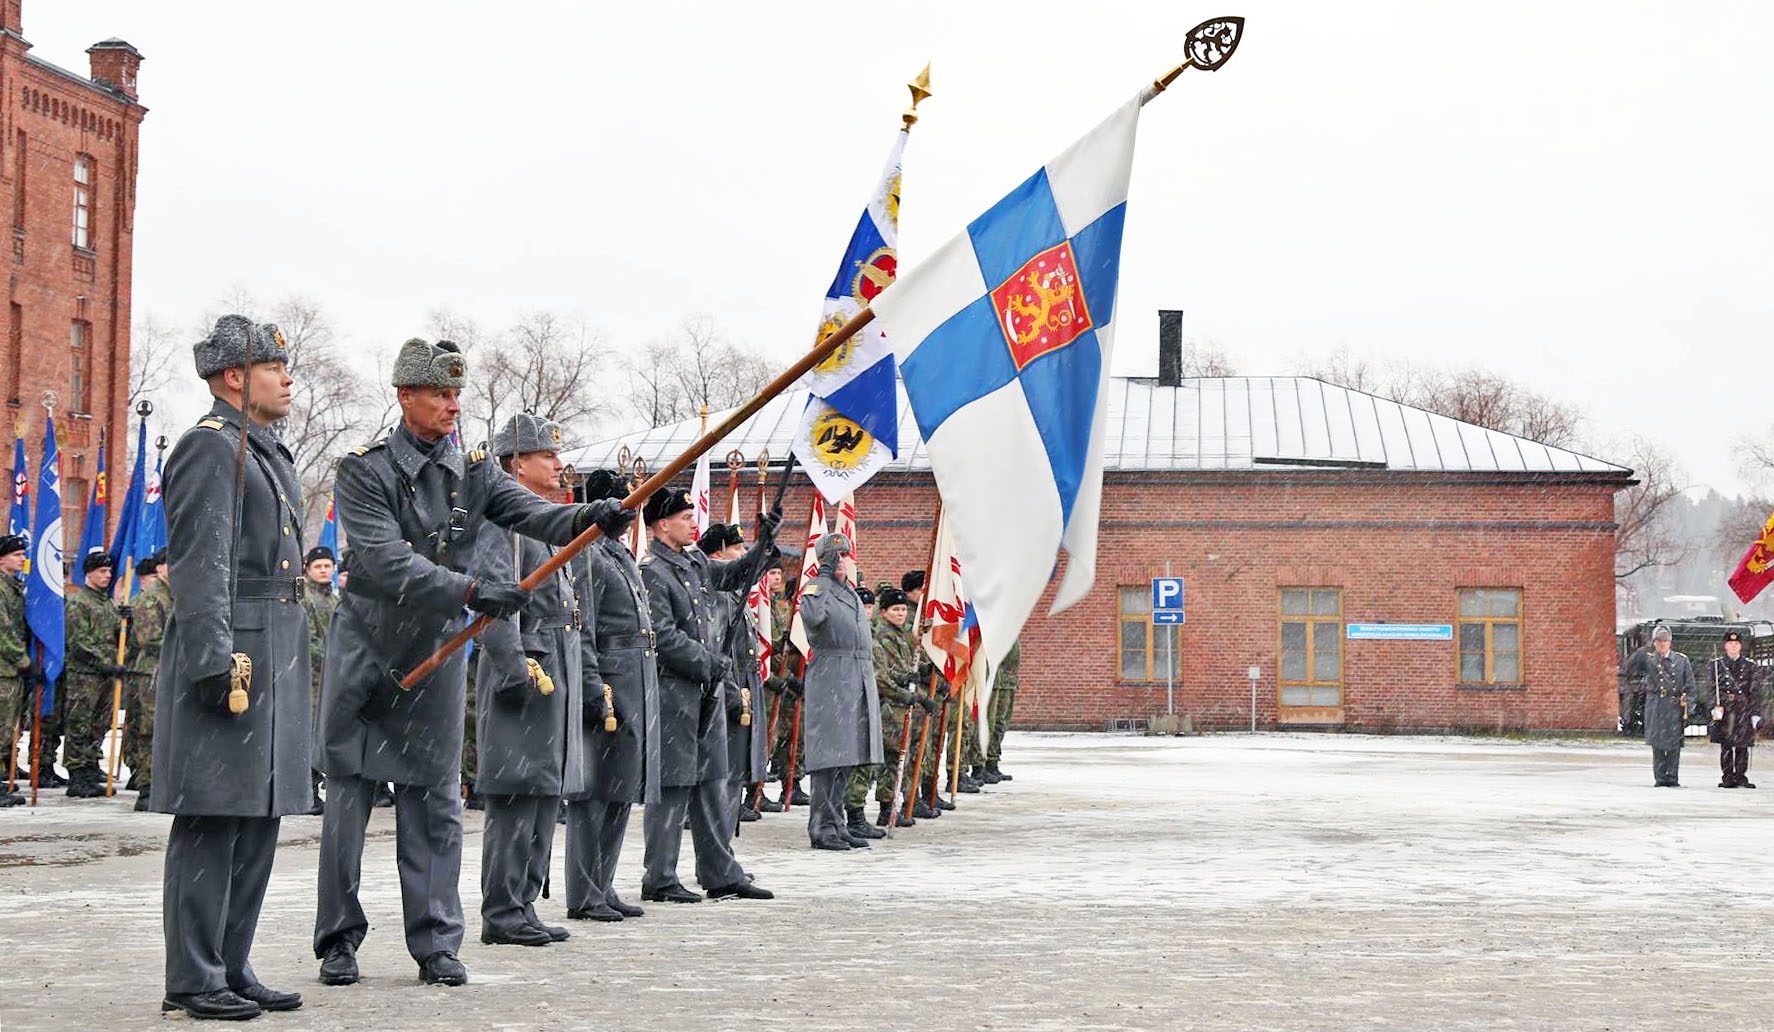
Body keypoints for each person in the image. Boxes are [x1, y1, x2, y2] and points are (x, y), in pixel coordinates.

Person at [312, 338, 627, 988]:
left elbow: (530, 512)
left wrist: (588, 519)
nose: (454, 406)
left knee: (434, 802)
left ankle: (435, 942)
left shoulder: (474, 471)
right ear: (406, 397)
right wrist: (468, 592)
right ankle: (338, 939)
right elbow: (383, 559)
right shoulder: (363, 471)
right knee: (350, 802)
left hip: (439, 651)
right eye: (440, 394)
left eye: (459, 394)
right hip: (370, 653)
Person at [152, 316, 308, 1019]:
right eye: (275, 366)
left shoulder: (265, 450)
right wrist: (214, 661)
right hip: (233, 655)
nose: (288, 377)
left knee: (257, 817)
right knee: (213, 819)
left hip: (271, 651)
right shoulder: (209, 448)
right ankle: (193, 976)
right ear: (234, 377)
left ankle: (231, 962)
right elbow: (200, 563)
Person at [473, 413, 600, 947]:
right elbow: (494, 600)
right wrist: (514, 669)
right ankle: (501, 910)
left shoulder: (545, 521)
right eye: (546, 454)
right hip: (527, 672)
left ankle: (523, 901)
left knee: (545, 791)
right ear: (516, 463)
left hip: (557, 669)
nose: (558, 463)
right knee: (516, 794)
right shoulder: (505, 523)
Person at [639, 488, 778, 902]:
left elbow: (733, 577)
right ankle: (659, 877)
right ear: (663, 524)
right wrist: (707, 662)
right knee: (673, 786)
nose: (692, 522)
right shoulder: (652, 571)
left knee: (713, 783)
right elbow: (661, 634)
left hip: (706, 690)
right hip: (674, 690)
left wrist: (761, 547)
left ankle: (720, 872)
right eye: (684, 517)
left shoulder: (695, 561)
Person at [565, 469, 660, 923]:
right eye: (624, 505)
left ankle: (602, 883)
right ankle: (584, 891)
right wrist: (593, 685)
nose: (631, 513)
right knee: (595, 793)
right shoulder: (586, 554)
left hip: (634, 680)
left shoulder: (617, 554)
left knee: (621, 787)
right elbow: (584, 628)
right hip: (610, 680)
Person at [798, 533, 882, 850]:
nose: (842, 561)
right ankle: (821, 826)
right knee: (828, 758)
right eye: (836, 557)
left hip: (856, 677)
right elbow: (813, 617)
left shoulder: (850, 592)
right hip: (832, 677)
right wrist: (821, 575)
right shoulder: (815, 589)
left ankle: (837, 823)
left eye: (845, 555)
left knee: (847, 756)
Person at [853, 586, 923, 830]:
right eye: (896, 609)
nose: (901, 613)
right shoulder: (882, 636)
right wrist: (907, 692)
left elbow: (897, 670)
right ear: (885, 613)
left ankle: (887, 807)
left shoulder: (900, 635)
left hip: (897, 707)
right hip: (886, 708)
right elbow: (881, 678)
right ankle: (860, 813)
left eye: (904, 609)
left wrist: (913, 678)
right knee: (875, 763)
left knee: (894, 760)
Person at [62, 548, 124, 798]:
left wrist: (123, 625)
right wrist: (102, 662)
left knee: (98, 724)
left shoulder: (107, 603)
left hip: (105, 675)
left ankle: (90, 766)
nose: (107, 576)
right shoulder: (80, 602)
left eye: (109, 571)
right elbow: (79, 641)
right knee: (80, 723)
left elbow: (113, 637)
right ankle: (76, 774)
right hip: (84, 674)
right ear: (89, 573)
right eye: (102, 571)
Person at [1622, 625, 1699, 787]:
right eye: (1658, 641)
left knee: (1674, 745)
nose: (1662, 644)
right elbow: (1628, 668)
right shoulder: (1648, 658)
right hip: (1656, 704)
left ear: (1670, 642)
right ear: (1654, 643)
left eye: (1664, 641)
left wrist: (1689, 707)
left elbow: (1690, 686)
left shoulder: (1681, 660)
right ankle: (1660, 778)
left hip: (1674, 705)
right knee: (1657, 744)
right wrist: (1642, 650)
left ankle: (1672, 777)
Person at [125, 551, 172, 810]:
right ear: (161, 568)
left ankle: (162, 783)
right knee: (151, 730)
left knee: (167, 729)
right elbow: (150, 639)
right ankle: (147, 786)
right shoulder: (151, 598)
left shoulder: (176, 595)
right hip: (152, 672)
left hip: (171, 669)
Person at [299, 546, 337, 814]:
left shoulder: (334, 600)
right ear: (308, 570)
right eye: (318, 566)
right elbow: (307, 639)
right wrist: (334, 656)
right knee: (310, 733)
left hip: (332, 677)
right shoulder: (305, 599)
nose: (323, 570)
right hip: (311, 678)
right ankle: (307, 791)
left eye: (327, 566)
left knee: (325, 732)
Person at [1705, 630, 1762, 788]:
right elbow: (1711, 688)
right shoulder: (1716, 665)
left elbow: (1755, 691)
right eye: (1730, 644)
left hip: (1743, 708)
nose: (1733, 646)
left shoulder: (1750, 666)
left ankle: (1740, 775)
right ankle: (1728, 776)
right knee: (1727, 743)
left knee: (1742, 744)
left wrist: (1755, 712)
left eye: (1736, 644)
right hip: (1725, 708)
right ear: (1725, 645)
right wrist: (1714, 707)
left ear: (1740, 646)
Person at [0, 534, 29, 806]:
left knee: (7, 730)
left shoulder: (13, 587)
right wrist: (25, 662)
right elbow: (3, 632)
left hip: (9, 670)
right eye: (16, 555)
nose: (22, 559)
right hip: (3, 669)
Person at [981, 640, 1019, 784]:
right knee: (992, 724)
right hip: (996, 684)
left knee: (1001, 724)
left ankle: (993, 762)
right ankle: (983, 765)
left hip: (1009, 683)